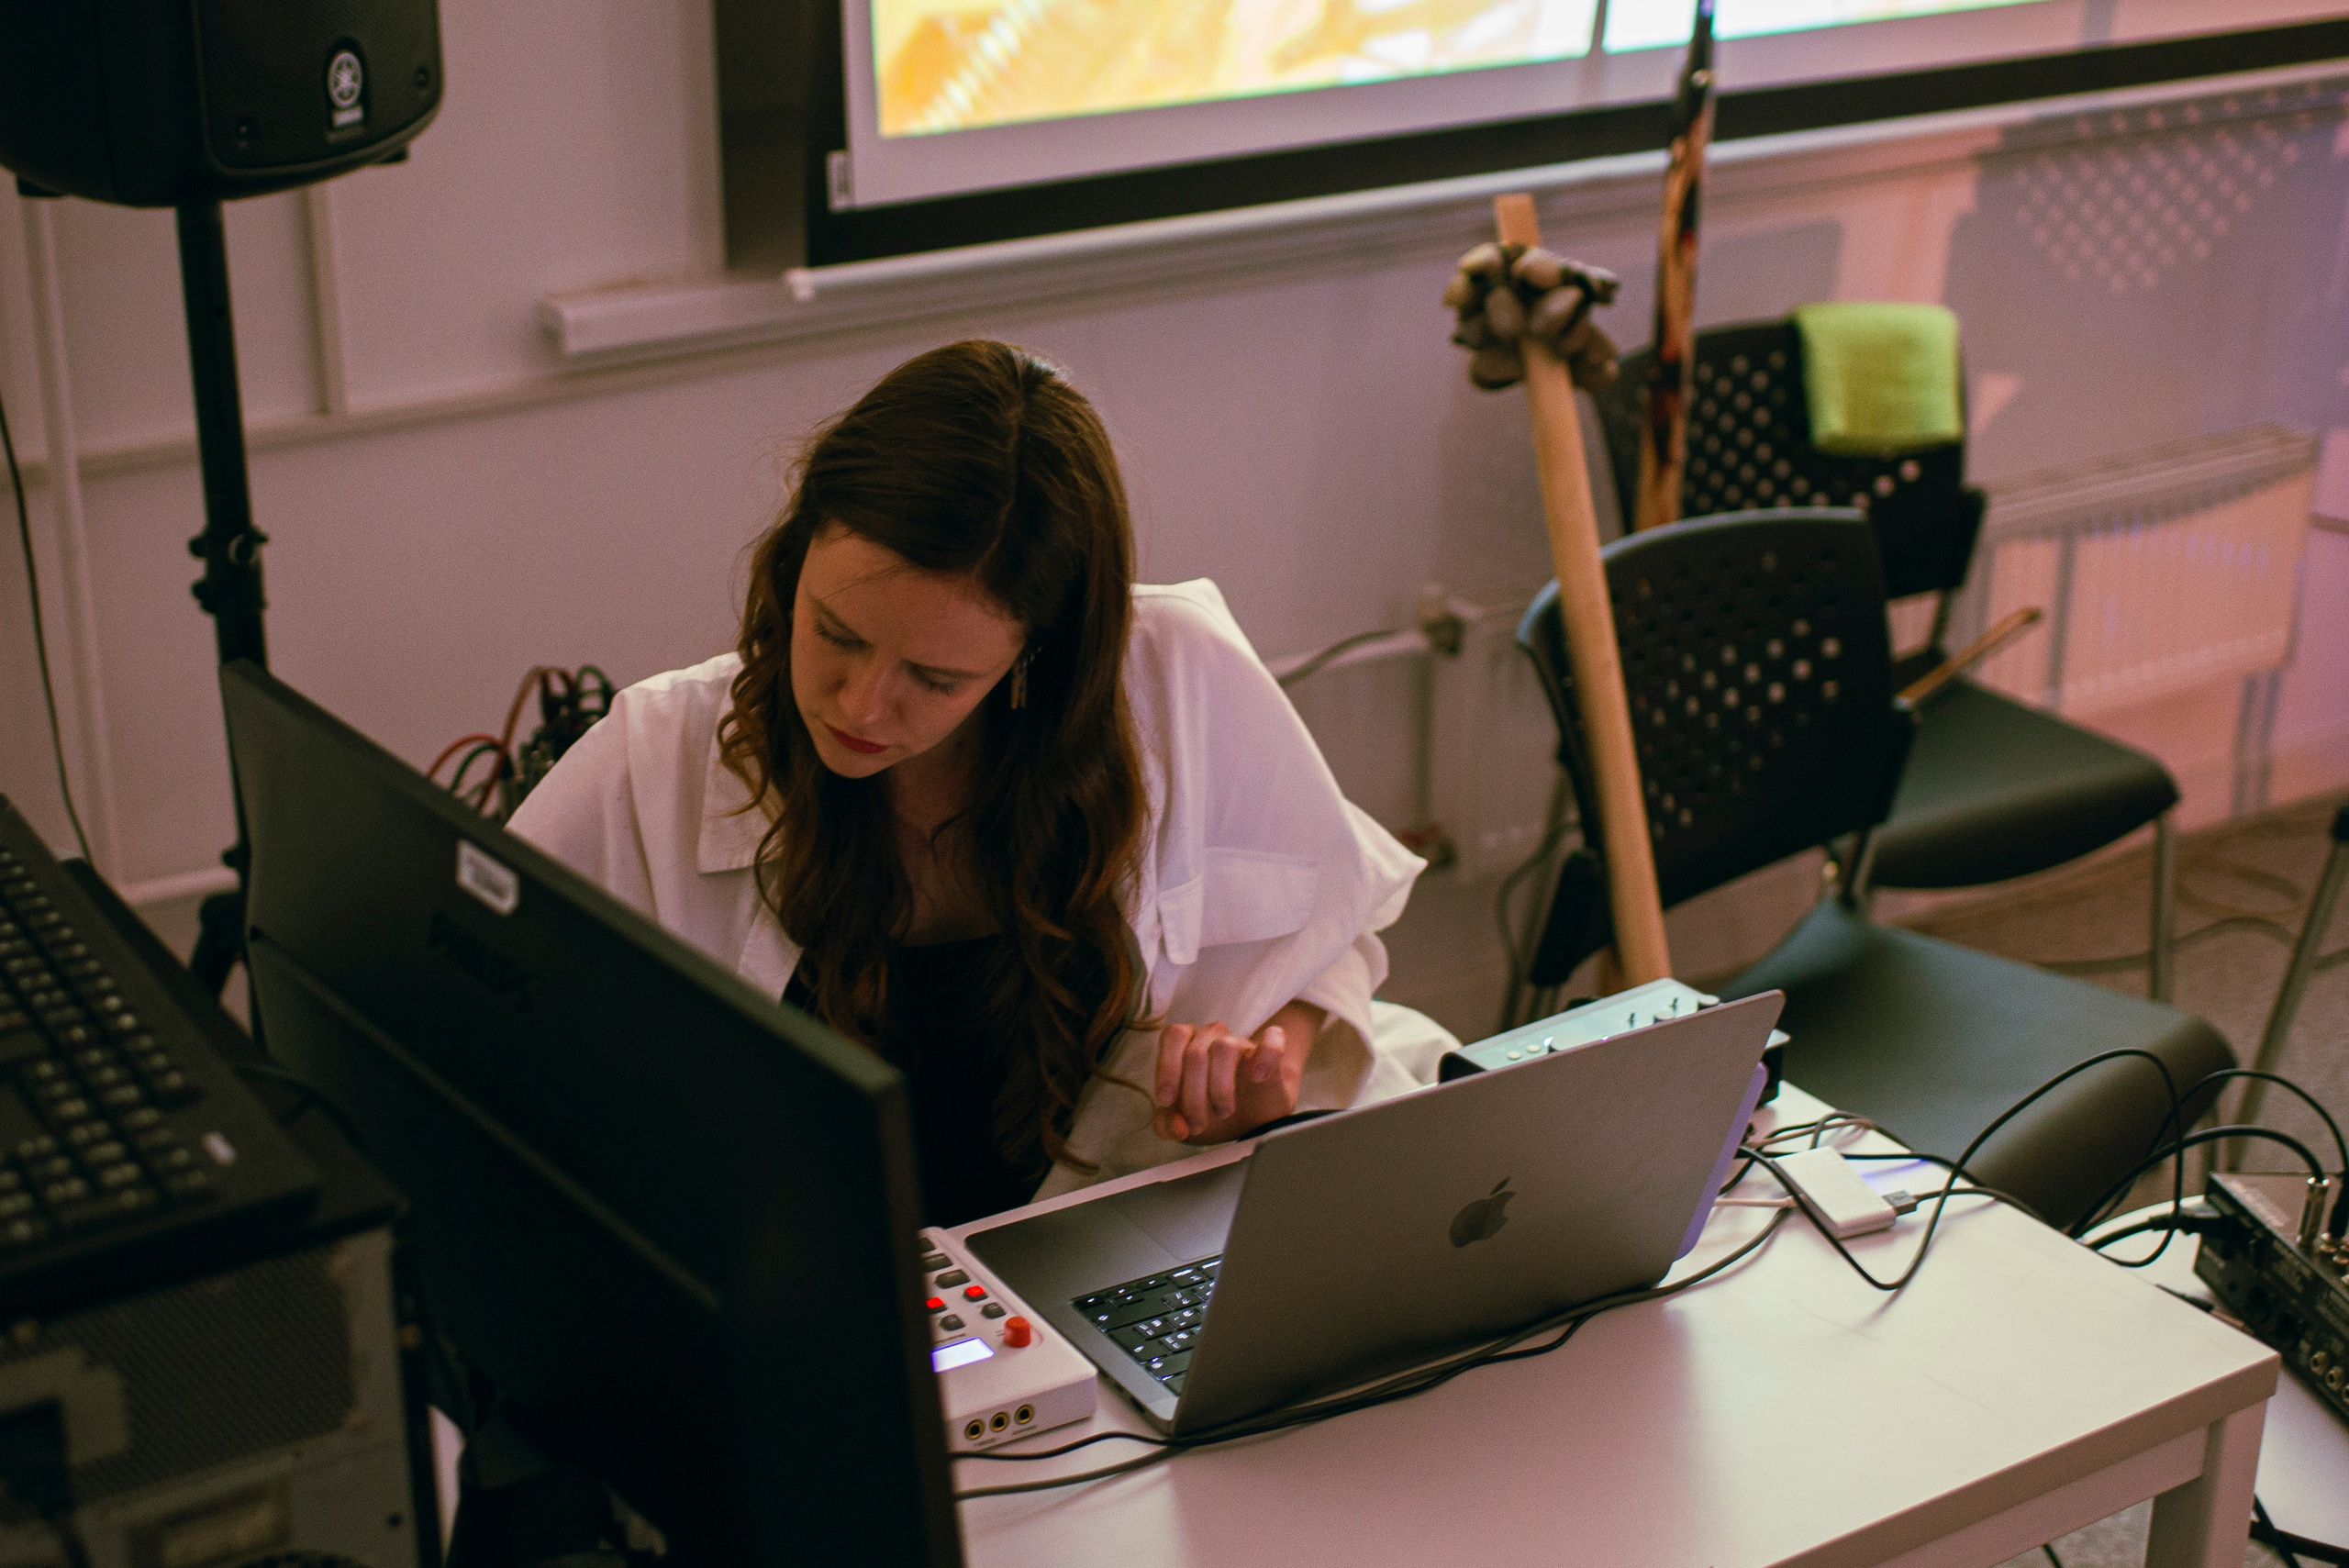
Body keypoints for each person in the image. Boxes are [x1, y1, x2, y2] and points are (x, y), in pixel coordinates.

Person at [510, 340, 1453, 1227]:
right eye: (835, 632)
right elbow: (471, 1023)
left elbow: (1326, 926)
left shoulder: (1176, 677)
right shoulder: (656, 755)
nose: (862, 704)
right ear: (794, 561)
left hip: (1085, 1257)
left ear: (1032, 658)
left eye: (936, 678)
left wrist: (1272, 1060)